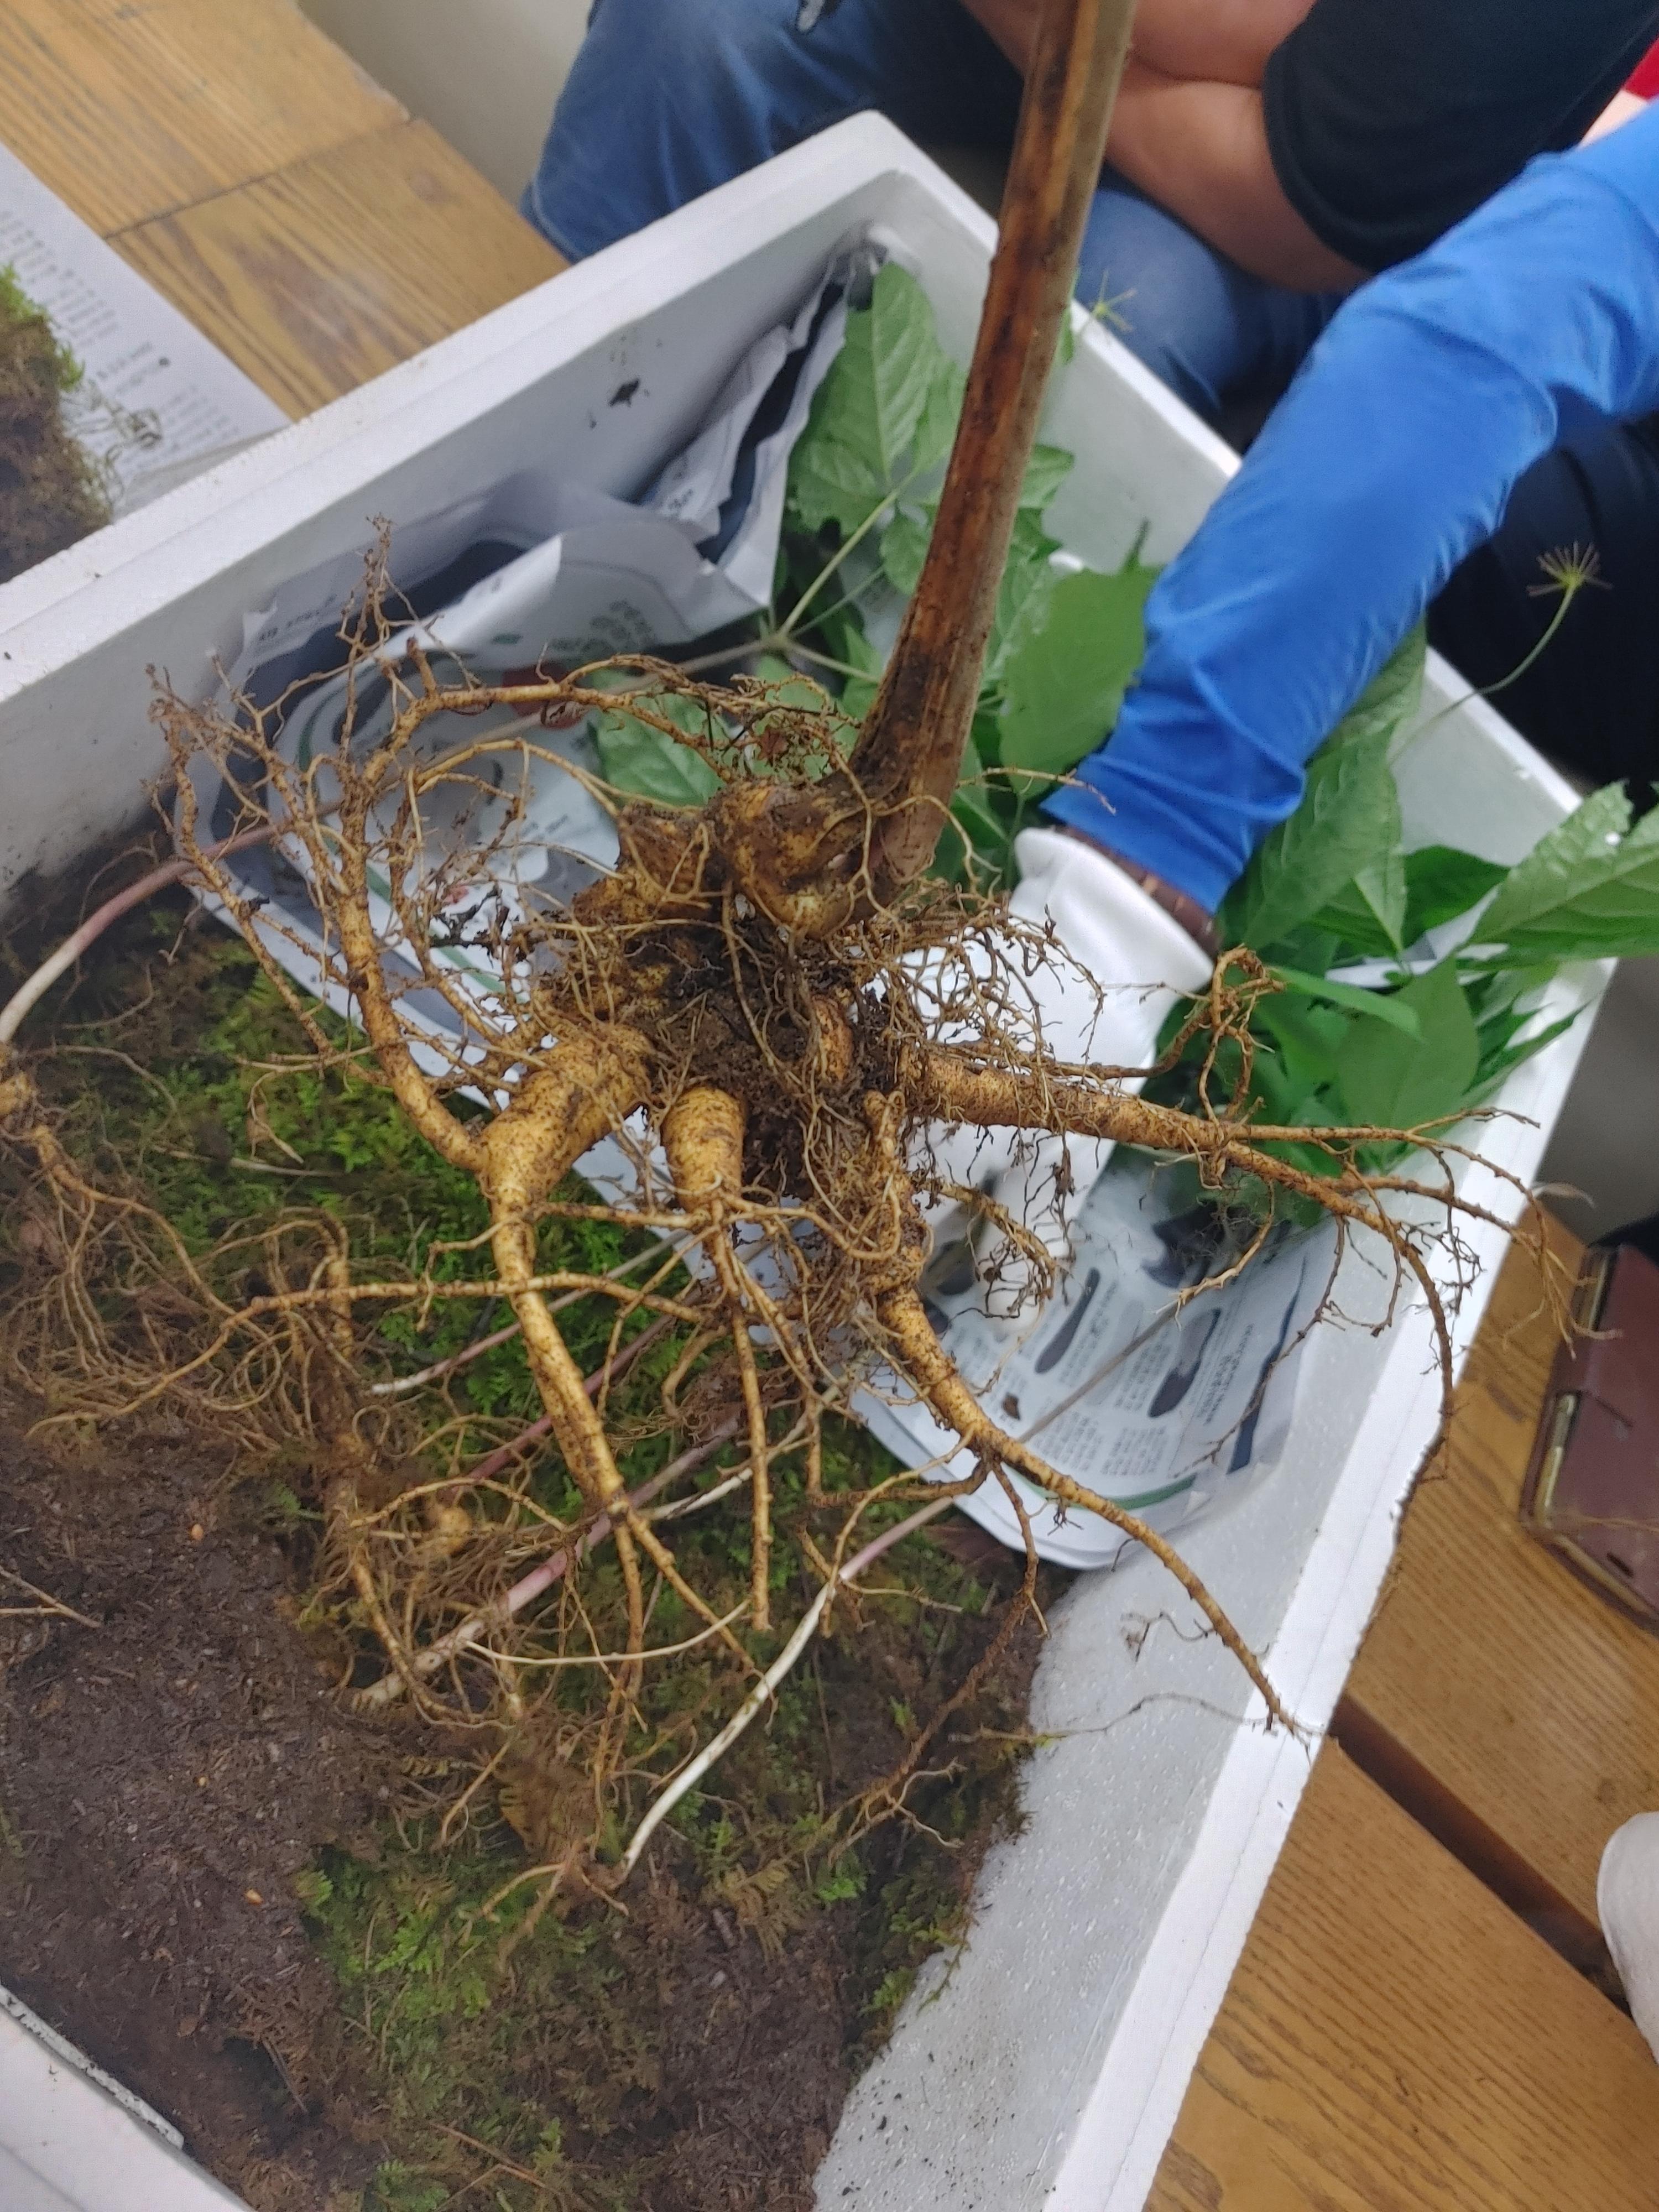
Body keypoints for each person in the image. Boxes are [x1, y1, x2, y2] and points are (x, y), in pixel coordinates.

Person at [524, 0, 1659, 427]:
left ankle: (832, 742)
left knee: (1108, 324)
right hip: (1201, 62)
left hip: (1297, 186)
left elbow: (1291, 194)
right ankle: (513, 411)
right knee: (699, 31)